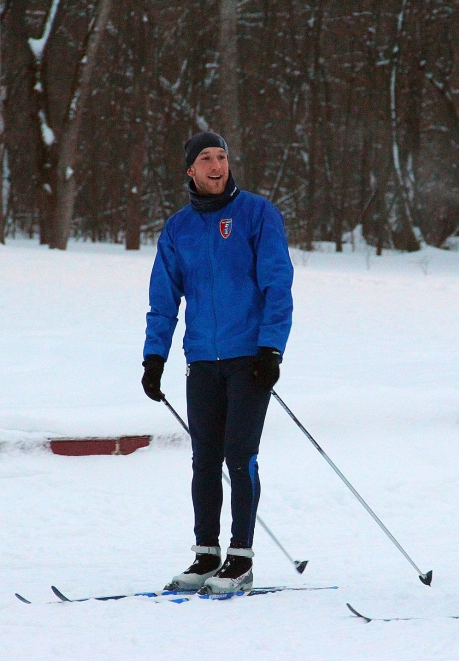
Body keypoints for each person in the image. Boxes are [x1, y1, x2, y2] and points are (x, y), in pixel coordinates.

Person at [141, 131, 294, 597]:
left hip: (249, 358)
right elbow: (163, 299)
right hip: (203, 359)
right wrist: (154, 356)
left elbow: (277, 283)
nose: (216, 165)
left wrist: (272, 348)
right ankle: (207, 553)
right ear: (190, 169)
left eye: (221, 157)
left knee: (239, 454)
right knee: (204, 459)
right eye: (205, 158)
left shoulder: (257, 214)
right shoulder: (178, 229)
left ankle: (241, 557)